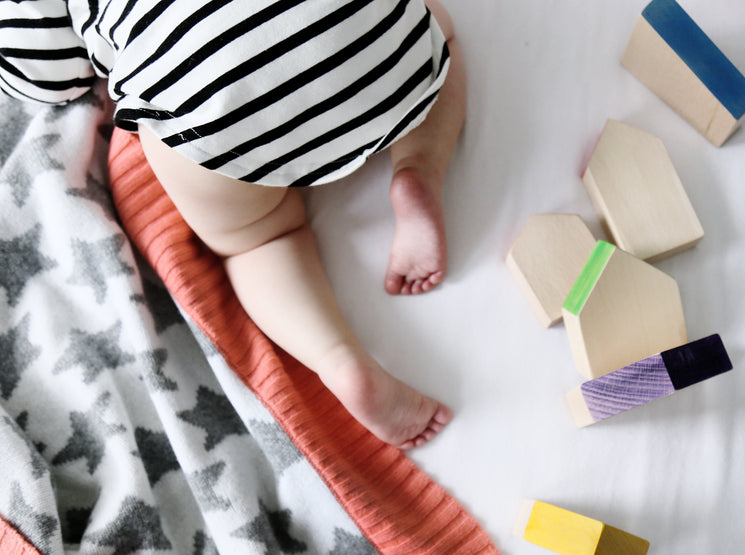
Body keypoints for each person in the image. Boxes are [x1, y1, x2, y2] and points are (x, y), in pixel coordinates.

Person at [0, 0, 466, 450]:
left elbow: (42, 73)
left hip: (209, 99)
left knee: (259, 236)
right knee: (437, 39)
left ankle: (341, 361)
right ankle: (418, 167)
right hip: (349, 28)